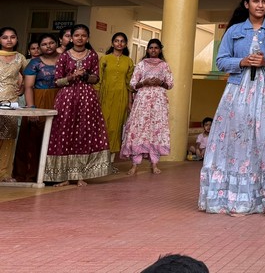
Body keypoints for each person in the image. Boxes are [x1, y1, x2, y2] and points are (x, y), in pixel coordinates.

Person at [198, 0, 265, 216]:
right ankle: (237, 198)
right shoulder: (235, 30)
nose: (260, 5)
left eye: (264, 1)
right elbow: (221, 61)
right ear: (247, 4)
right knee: (239, 139)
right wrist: (243, 61)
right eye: (256, 1)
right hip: (238, 88)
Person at [43, 24, 114, 186]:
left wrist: (85, 75)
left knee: (84, 133)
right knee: (64, 133)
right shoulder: (64, 56)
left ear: (87, 38)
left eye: (83, 35)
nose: (80, 38)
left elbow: (96, 79)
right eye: (76, 35)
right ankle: (65, 176)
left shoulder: (93, 56)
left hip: (87, 99)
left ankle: (80, 174)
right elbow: (57, 81)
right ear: (71, 38)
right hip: (67, 99)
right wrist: (72, 76)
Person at [121, 39, 174, 175]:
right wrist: (144, 82)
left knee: (156, 130)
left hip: (158, 102)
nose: (153, 50)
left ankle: (154, 163)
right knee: (139, 130)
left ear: (160, 50)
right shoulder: (141, 65)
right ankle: (135, 165)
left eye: (156, 48)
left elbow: (170, 84)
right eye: (151, 48)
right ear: (147, 50)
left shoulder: (164, 66)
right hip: (143, 101)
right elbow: (133, 84)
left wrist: (160, 82)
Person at [13, 33, 60, 182]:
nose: (48, 46)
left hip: (59, 99)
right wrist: (31, 108)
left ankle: (54, 175)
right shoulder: (34, 63)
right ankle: (30, 174)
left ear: (57, 44)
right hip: (38, 99)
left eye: (51, 43)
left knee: (56, 137)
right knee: (33, 137)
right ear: (39, 47)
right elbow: (28, 87)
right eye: (44, 44)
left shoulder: (63, 60)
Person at [98, 32, 135, 160]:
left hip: (121, 96)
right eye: (117, 41)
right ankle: (100, 157)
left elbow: (130, 83)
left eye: (122, 41)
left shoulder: (129, 61)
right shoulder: (105, 58)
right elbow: (99, 79)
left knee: (117, 126)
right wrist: (96, 97)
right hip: (105, 95)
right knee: (104, 125)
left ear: (125, 44)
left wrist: (130, 102)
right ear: (112, 43)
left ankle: (111, 159)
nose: (119, 43)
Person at [0, 27, 25, 182]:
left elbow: (28, 77)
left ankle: (4, 173)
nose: (9, 40)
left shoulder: (20, 58)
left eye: (12, 37)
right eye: (4, 37)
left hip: (11, 101)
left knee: (8, 138)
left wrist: (22, 88)